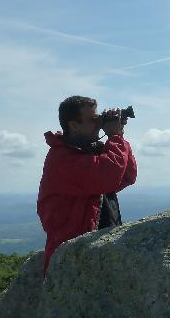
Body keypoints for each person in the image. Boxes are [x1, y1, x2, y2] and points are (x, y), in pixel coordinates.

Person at [37, 96, 137, 275]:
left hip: (97, 248)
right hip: (72, 257)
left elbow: (127, 175)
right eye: (93, 120)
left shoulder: (89, 150)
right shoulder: (62, 158)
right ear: (73, 125)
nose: (99, 124)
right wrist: (114, 137)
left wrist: (118, 136)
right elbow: (109, 175)